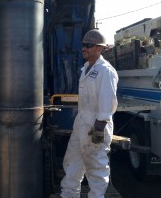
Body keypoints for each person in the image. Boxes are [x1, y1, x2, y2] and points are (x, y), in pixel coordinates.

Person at [50, 29, 119, 198]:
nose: (84, 48)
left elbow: (107, 100)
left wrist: (99, 127)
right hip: (81, 124)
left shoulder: (105, 71)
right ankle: (68, 195)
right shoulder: (86, 69)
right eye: (83, 45)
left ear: (99, 48)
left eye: (88, 45)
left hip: (96, 126)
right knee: (72, 163)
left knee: (96, 168)